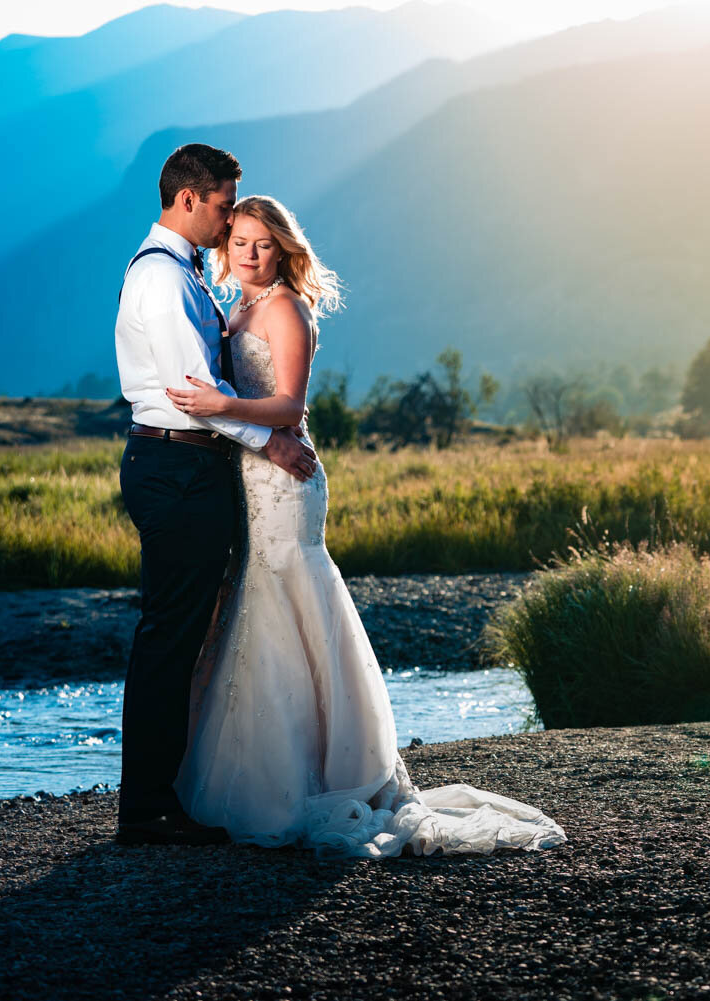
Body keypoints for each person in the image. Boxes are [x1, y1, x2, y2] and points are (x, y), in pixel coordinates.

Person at [162, 194, 565, 857]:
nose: (252, 254)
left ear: (284, 248)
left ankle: (319, 776)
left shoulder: (287, 307)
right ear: (224, 247)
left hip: (288, 483)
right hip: (250, 478)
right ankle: (264, 775)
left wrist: (216, 401)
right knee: (252, 606)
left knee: (289, 599)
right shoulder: (239, 307)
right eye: (240, 243)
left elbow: (289, 404)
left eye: (264, 244)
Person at [114, 143, 317, 846]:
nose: (230, 222)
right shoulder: (165, 282)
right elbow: (194, 392)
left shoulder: (181, 273)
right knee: (171, 637)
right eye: (226, 206)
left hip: (183, 467)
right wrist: (274, 442)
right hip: (175, 467)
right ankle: (146, 807)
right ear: (190, 198)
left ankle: (162, 794)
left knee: (181, 634)